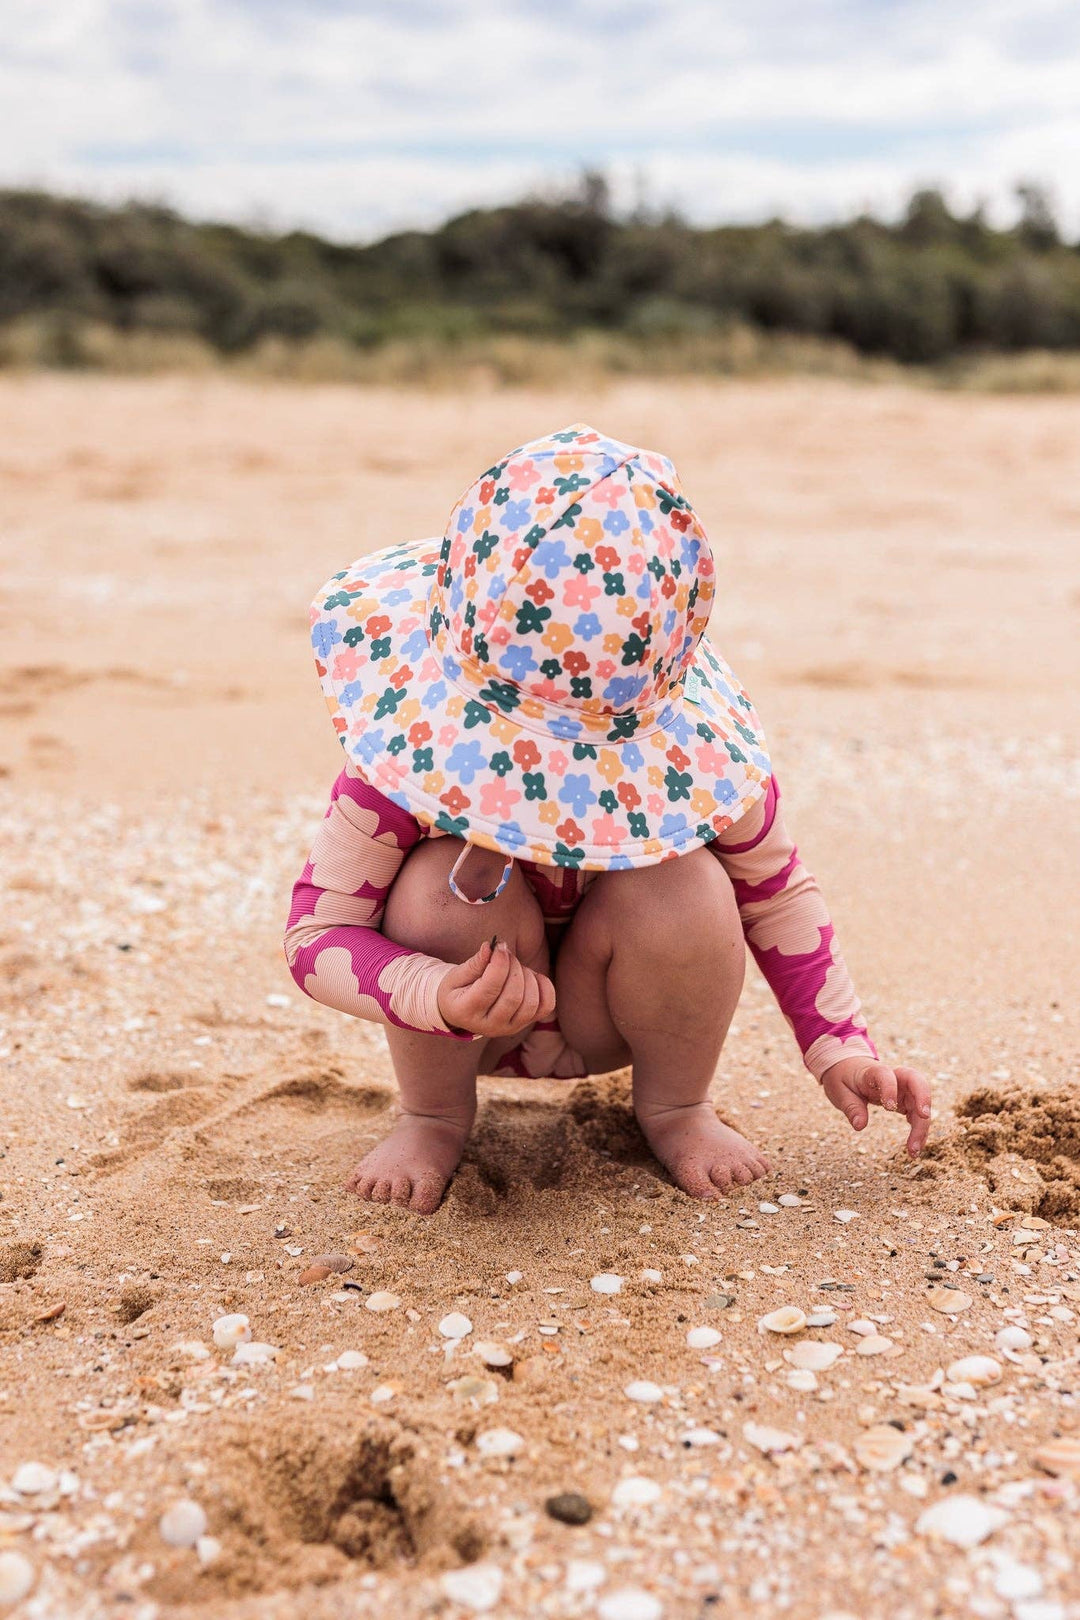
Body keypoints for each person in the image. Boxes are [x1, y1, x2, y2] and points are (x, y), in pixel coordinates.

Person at [285, 423, 931, 1213]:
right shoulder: (397, 768)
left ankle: (675, 1106)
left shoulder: (704, 776)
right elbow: (316, 937)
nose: (542, 771)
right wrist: (436, 995)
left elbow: (779, 897)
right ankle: (433, 1116)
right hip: (466, 1019)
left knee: (690, 881)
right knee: (437, 885)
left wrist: (840, 1048)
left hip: (617, 1015)